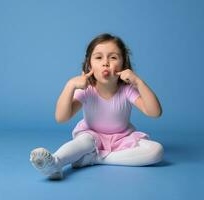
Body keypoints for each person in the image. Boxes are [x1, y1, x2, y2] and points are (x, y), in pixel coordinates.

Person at [30, 33, 164, 180]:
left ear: (124, 64)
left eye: (113, 57)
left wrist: (138, 82)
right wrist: (70, 86)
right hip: (92, 136)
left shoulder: (127, 90)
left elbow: (154, 112)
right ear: (90, 64)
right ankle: (55, 163)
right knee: (83, 142)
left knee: (156, 151)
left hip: (122, 138)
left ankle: (95, 159)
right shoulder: (87, 90)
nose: (105, 63)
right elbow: (61, 117)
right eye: (99, 57)